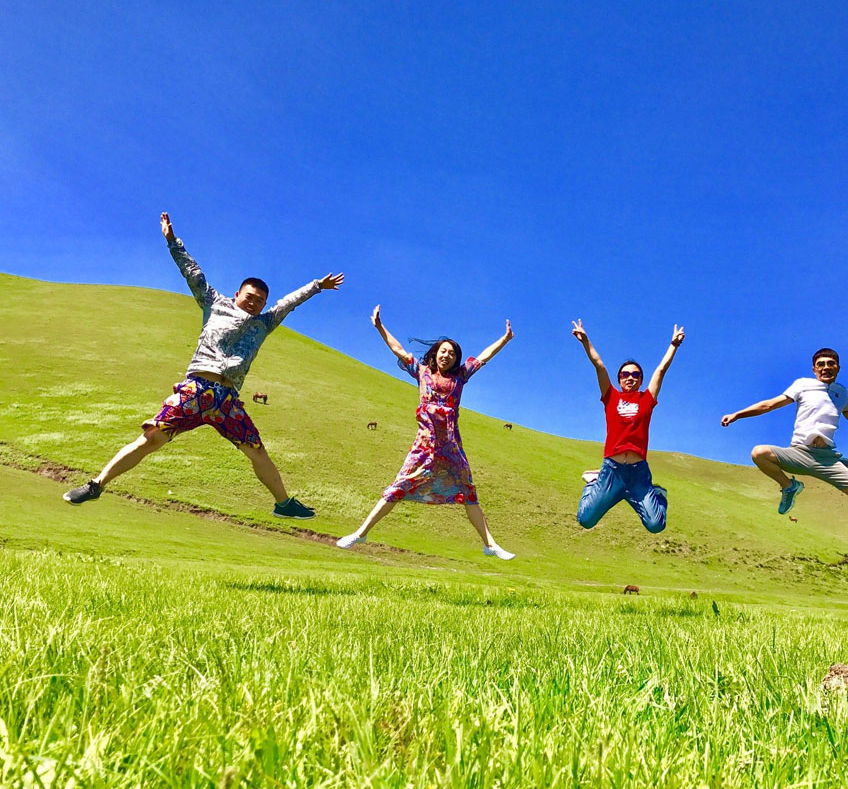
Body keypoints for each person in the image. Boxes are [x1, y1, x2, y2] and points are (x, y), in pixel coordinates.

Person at [62, 212, 345, 519]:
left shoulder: (265, 323)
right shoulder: (215, 303)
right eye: (250, 297)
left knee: (256, 449)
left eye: (261, 300)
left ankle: (283, 504)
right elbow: (192, 273)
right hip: (197, 389)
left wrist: (316, 285)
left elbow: (288, 302)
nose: (255, 303)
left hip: (227, 401)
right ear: (237, 294)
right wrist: (172, 241)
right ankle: (96, 485)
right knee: (152, 438)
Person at [336, 305, 516, 559]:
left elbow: (484, 356)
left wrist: (504, 339)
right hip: (424, 446)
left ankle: (490, 545)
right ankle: (362, 532)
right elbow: (397, 349)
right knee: (398, 487)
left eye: (452, 354)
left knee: (469, 492)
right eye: (444, 351)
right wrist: (379, 327)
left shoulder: (461, 377)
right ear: (435, 353)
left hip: (451, 446)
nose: (447, 356)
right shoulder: (422, 373)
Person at [720, 348, 848, 513]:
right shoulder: (802, 385)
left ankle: (840, 468)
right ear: (814, 369)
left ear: (838, 368)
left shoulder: (842, 394)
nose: (826, 367)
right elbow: (768, 405)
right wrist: (737, 414)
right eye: (820, 364)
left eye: (831, 364)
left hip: (827, 459)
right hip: (799, 453)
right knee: (759, 453)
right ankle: (789, 487)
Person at [572, 319, 684, 533]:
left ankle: (657, 493)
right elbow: (599, 365)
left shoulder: (647, 399)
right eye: (625, 374)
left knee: (656, 525)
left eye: (635, 375)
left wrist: (674, 345)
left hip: (638, 474)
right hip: (611, 471)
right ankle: (592, 482)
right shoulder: (611, 397)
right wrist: (585, 341)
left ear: (641, 380)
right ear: (619, 379)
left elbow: (660, 371)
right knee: (585, 520)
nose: (630, 377)